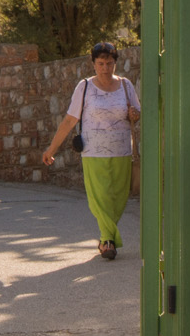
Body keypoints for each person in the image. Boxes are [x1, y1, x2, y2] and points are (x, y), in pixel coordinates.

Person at [40, 41, 139, 260]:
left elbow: (136, 112)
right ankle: (108, 241)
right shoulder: (84, 87)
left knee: (119, 197)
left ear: (115, 63)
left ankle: (107, 237)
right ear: (93, 63)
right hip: (93, 150)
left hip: (122, 149)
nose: (105, 68)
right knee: (99, 197)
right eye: (101, 63)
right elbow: (69, 120)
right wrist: (51, 148)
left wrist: (134, 114)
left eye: (110, 63)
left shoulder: (125, 86)